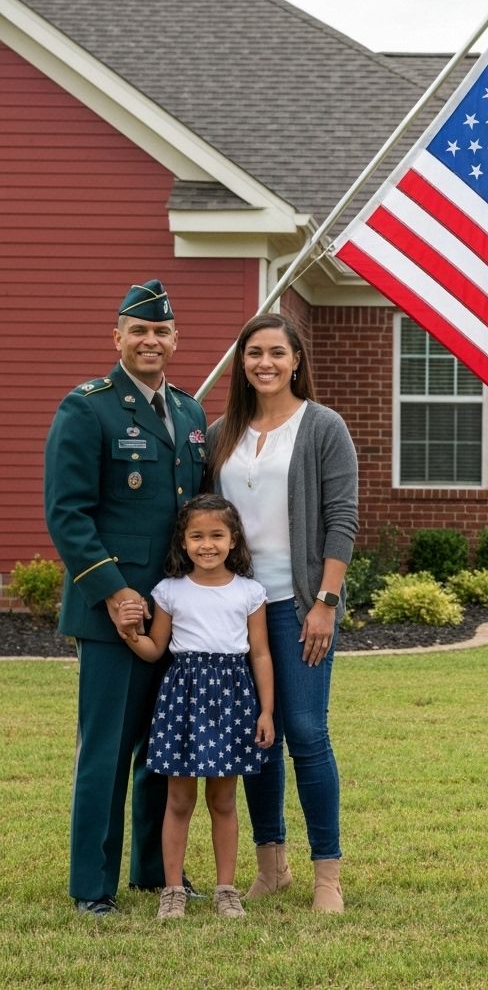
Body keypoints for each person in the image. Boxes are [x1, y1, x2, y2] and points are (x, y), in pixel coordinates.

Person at [44, 279, 208, 916]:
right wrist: (113, 594)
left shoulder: (190, 414)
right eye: (138, 331)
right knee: (107, 748)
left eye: (161, 331)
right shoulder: (87, 409)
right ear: (117, 338)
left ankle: (149, 868)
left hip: (175, 609)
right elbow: (68, 514)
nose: (150, 341)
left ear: (175, 339)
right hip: (114, 611)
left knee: (163, 748)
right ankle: (93, 885)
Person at [206, 313, 358, 913]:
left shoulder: (323, 427)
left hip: (298, 606)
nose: (264, 363)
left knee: (306, 732)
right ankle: (273, 866)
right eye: (253, 354)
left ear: (297, 360)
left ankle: (328, 878)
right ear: (241, 363)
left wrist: (325, 602)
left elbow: (341, 520)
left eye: (276, 352)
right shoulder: (223, 432)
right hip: (236, 611)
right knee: (256, 738)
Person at [117, 494, 274, 920]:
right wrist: (132, 632)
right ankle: (172, 891)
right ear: (183, 542)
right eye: (197, 536)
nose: (207, 545)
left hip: (233, 701)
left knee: (224, 800)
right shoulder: (170, 592)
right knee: (179, 800)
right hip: (182, 702)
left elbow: (259, 655)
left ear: (233, 539)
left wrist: (266, 711)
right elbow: (155, 651)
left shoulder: (250, 592)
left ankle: (226, 890)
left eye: (217, 535)